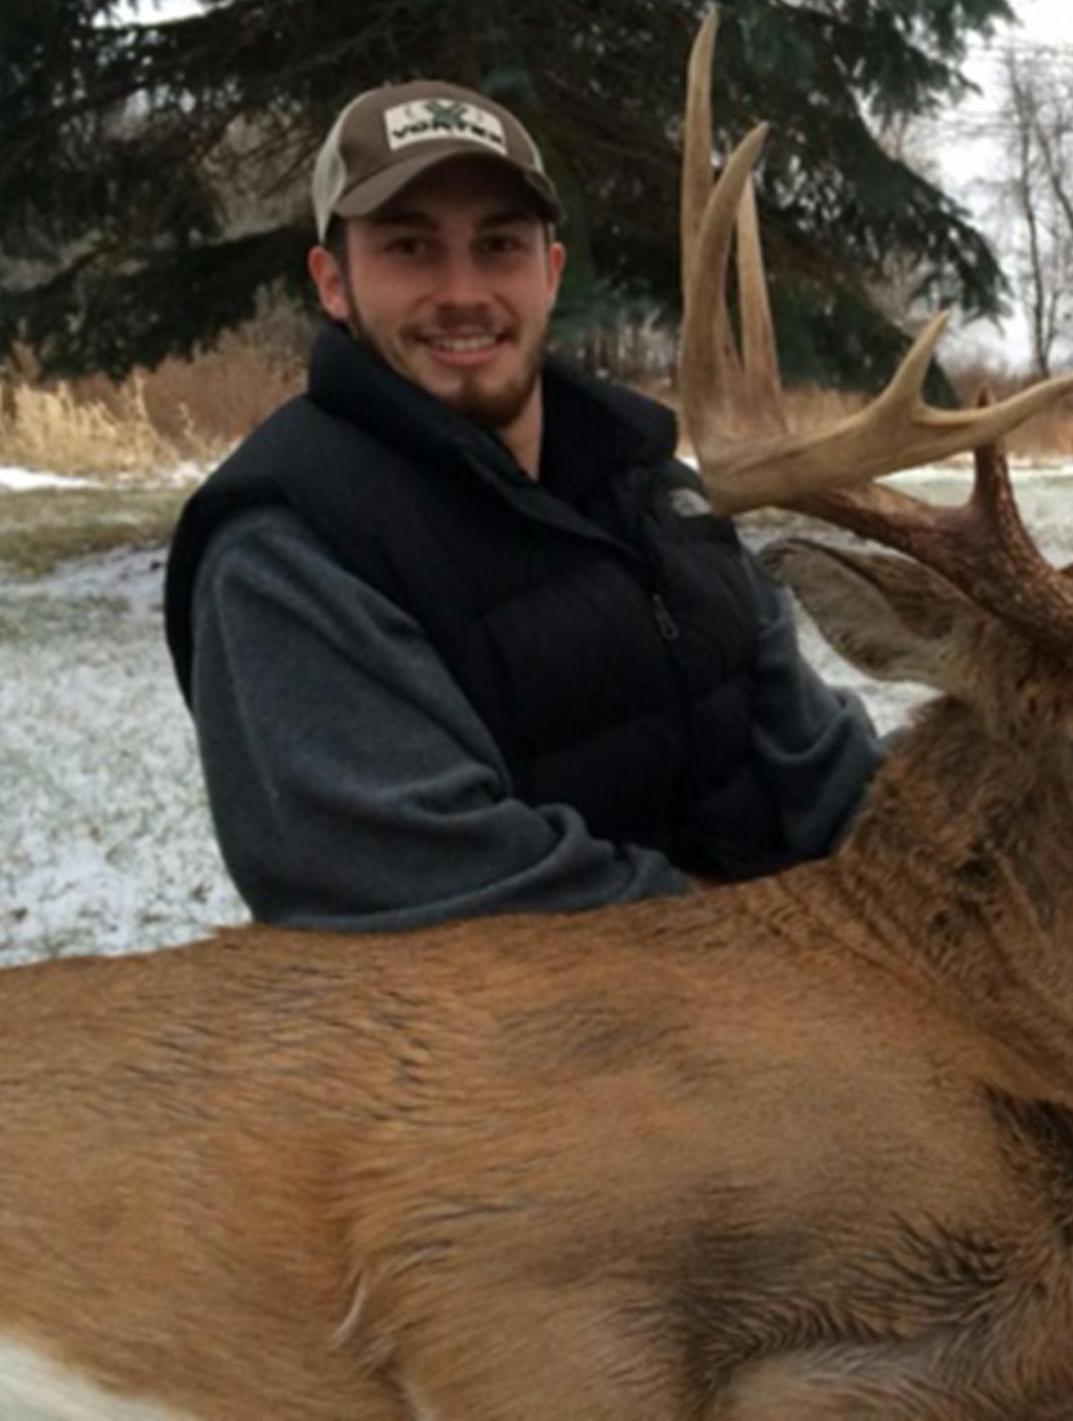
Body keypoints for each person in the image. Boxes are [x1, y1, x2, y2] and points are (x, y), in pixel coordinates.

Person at [163, 80, 881, 929]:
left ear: (550, 271)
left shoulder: (664, 495)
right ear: (332, 282)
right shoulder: (290, 544)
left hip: (783, 984)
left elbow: (815, 763)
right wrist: (753, 933)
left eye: (498, 244)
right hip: (533, 1037)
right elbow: (410, 867)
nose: (463, 291)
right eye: (409, 248)